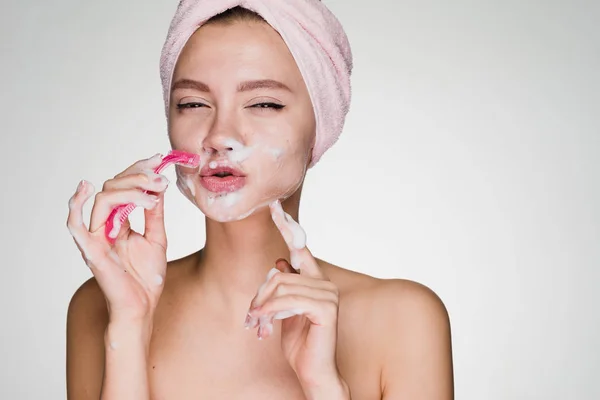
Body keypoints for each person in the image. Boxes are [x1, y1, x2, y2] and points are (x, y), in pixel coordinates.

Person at [66, 2, 453, 399]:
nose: (220, 135)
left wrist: (324, 386)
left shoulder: (405, 323)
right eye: (193, 104)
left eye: (264, 103)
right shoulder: (100, 305)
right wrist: (129, 327)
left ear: (321, 123)